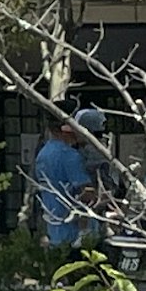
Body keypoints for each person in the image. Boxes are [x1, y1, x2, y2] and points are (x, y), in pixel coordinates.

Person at [33, 106, 109, 250]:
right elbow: (86, 195)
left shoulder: (43, 154)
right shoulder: (70, 156)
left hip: (52, 228)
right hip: (74, 235)